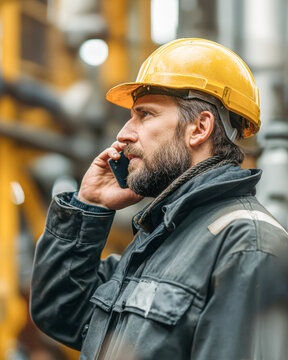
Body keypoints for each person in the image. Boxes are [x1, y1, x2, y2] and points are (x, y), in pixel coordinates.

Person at [30, 39, 288, 360]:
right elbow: (61, 311)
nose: (124, 133)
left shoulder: (248, 246)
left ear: (199, 128)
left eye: (145, 114)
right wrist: (89, 206)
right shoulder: (161, 240)